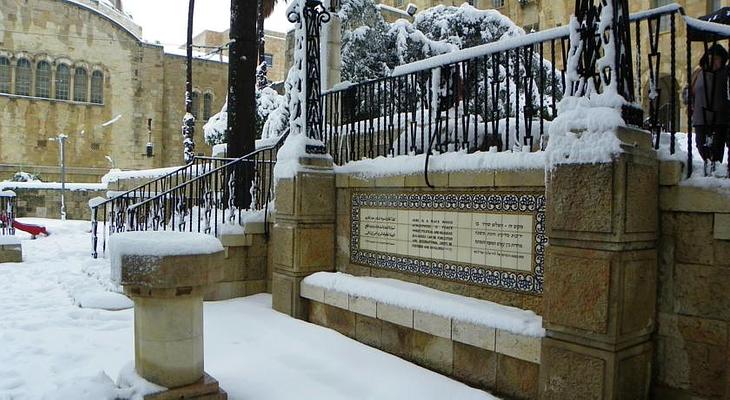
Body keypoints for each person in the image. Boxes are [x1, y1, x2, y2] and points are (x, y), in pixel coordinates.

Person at [691, 43, 730, 176]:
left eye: (718, 59)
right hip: (700, 116)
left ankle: (714, 173)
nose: (714, 61)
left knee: (717, 148)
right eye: (712, 57)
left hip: (720, 118)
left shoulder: (725, 74)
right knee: (700, 145)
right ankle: (707, 170)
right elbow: (689, 91)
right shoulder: (698, 72)